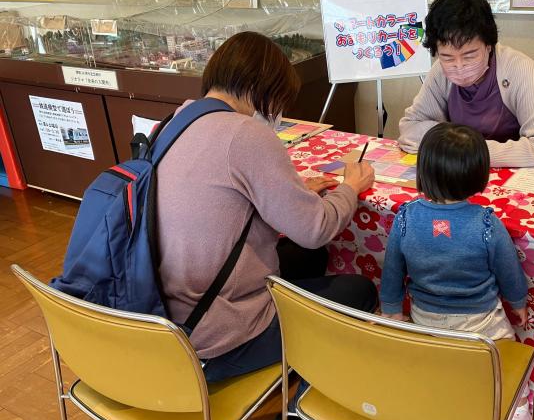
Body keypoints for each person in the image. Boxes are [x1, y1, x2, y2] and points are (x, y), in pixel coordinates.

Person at [156, 31, 378, 387]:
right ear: (265, 87)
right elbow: (315, 227)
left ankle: (297, 372)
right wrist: (351, 187)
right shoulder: (247, 133)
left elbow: (220, 202)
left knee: (309, 256)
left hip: (162, 315)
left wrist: (290, 193)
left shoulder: (172, 123)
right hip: (216, 337)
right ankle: (300, 410)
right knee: (360, 290)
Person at [379, 123, 534, 420]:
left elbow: (392, 270)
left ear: (422, 170)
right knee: (506, 361)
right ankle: (517, 413)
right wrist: (518, 302)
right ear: (479, 174)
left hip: (425, 318)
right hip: (481, 322)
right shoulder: (487, 222)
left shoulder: (406, 217)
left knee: (440, 359)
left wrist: (392, 309)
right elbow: (509, 272)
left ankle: (440, 398)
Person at [398, 0, 534, 168]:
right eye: (447, 57)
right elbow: (409, 128)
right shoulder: (440, 73)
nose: (459, 66)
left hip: (510, 177)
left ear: (489, 45)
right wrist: (456, 144)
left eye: (470, 55)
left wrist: (466, 149)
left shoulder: (518, 68)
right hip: (460, 173)